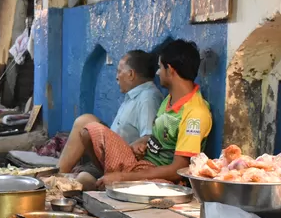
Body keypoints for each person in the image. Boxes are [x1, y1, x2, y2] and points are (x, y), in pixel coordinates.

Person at [75, 40, 212, 189]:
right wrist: (143, 143)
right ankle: (109, 180)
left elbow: (178, 170)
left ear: (170, 70)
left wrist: (123, 177)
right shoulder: (170, 98)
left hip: (165, 179)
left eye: (160, 67)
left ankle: (114, 182)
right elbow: (161, 139)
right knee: (89, 131)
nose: (158, 73)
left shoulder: (195, 114)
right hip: (142, 165)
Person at [58, 50, 163, 181]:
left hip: (125, 163)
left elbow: (148, 138)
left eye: (119, 71)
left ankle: (59, 176)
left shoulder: (148, 98)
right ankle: (58, 174)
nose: (117, 77)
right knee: (85, 121)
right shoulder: (134, 96)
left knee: (83, 179)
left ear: (131, 74)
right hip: (113, 155)